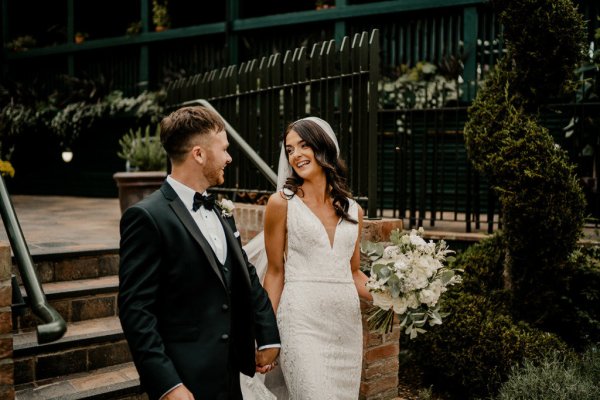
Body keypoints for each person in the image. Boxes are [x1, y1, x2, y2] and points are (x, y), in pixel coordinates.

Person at [118, 106, 280, 400]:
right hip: (186, 378)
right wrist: (167, 384)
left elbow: (246, 273)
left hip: (230, 375)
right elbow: (136, 311)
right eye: (224, 149)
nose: (229, 158)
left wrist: (268, 335)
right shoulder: (146, 217)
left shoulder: (220, 209)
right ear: (199, 154)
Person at [261, 116, 372, 399]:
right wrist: (264, 335)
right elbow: (275, 273)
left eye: (303, 145)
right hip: (301, 322)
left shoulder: (354, 210)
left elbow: (354, 273)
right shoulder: (281, 204)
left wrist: (396, 295)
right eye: (289, 150)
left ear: (323, 147)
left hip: (345, 326)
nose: (295, 155)